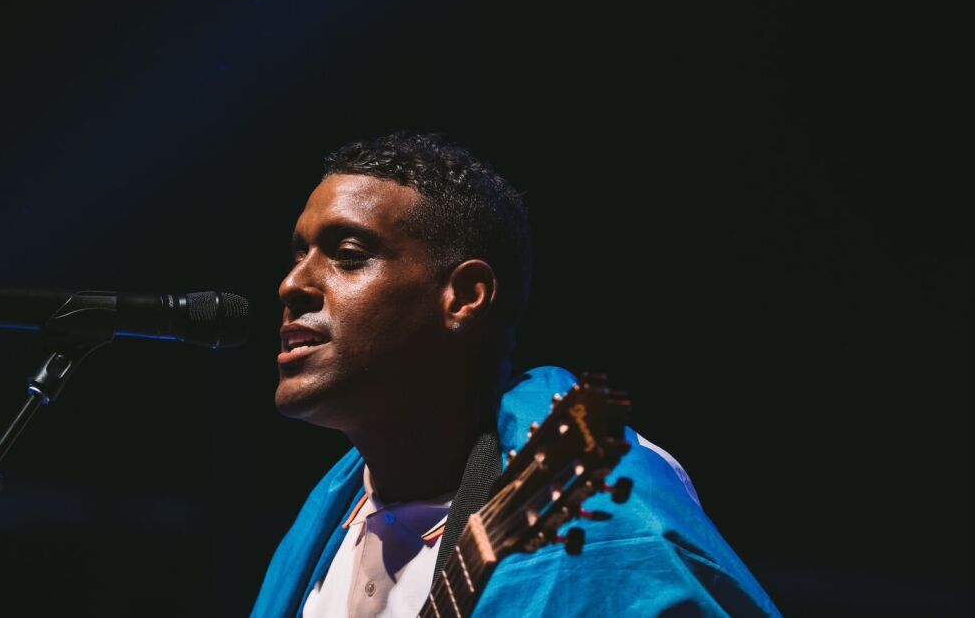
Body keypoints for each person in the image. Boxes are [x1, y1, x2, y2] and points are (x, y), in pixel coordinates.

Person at [251, 132, 779, 617]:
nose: (291, 284)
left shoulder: (596, 502)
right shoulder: (321, 537)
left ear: (463, 297)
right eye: (299, 256)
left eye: (347, 255)